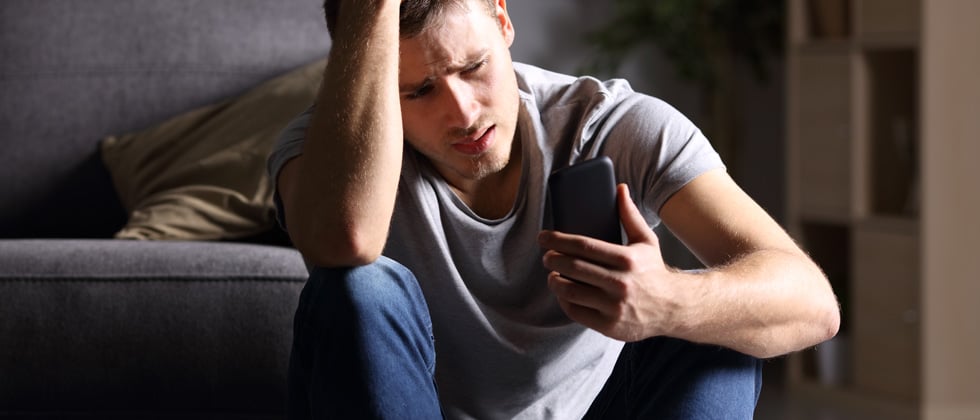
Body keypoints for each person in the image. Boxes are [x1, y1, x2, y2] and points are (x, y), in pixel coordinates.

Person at [267, 0, 841, 418]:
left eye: (473, 68)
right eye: (417, 92)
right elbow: (344, 240)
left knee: (720, 324)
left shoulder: (610, 124)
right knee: (356, 288)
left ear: (503, 19)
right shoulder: (318, 152)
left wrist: (667, 302)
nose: (464, 114)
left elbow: (813, 305)